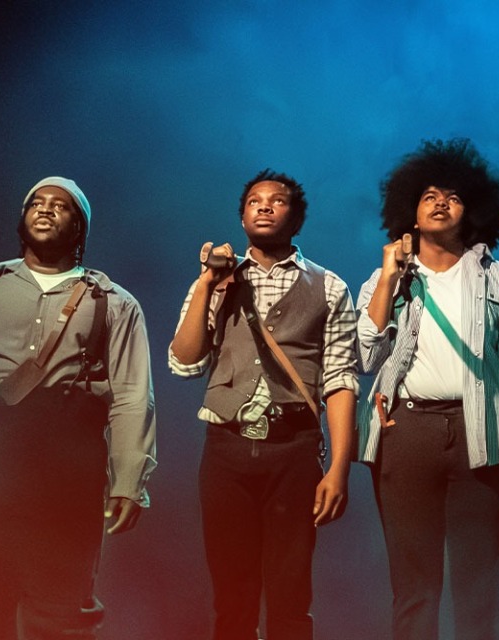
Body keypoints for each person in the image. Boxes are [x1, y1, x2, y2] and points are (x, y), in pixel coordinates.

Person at [0, 177, 157, 640]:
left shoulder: (112, 301)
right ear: (22, 220)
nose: (45, 210)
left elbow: (131, 393)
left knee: (61, 606)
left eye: (60, 206)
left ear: (79, 227)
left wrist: (129, 480)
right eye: (35, 204)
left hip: (67, 461)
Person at [355, 139, 499, 640]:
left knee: (478, 585)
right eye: (429, 196)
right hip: (407, 433)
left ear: (473, 212)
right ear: (411, 215)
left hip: (481, 434)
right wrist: (387, 280)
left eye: (454, 196)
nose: (441, 201)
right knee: (414, 585)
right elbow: (365, 357)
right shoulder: (386, 279)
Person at [169, 169, 359, 640]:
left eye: (277, 201)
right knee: (232, 597)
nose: (265, 206)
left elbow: (339, 380)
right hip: (226, 450)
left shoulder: (329, 287)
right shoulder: (217, 279)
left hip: (293, 451)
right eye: (254, 201)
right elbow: (185, 361)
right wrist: (208, 284)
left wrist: (338, 468)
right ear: (242, 216)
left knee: (291, 597)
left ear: (297, 219)